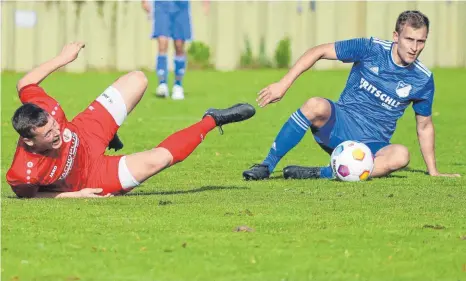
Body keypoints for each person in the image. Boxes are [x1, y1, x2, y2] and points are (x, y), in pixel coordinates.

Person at [6, 42, 255, 199]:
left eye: (54, 124)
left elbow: (24, 84)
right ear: (28, 141)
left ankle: (109, 130)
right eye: (48, 134)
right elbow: (32, 197)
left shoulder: (46, 109)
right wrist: (76, 195)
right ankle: (212, 120)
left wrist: (62, 59)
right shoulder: (22, 172)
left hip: (86, 131)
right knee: (161, 159)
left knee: (138, 79)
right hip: (92, 177)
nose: (56, 132)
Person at [243, 10, 460, 180]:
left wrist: (433, 170)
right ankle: (266, 166)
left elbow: (424, 125)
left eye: (420, 41)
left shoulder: (422, 79)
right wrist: (283, 84)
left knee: (401, 155)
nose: (414, 47)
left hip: (371, 145)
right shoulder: (370, 48)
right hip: (338, 127)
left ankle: (321, 173)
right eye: (409, 39)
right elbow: (319, 51)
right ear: (396, 36)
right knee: (315, 104)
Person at [142, 0, 192, 100]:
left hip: (181, 5)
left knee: (179, 45)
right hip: (162, 5)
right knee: (162, 42)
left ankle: (178, 85)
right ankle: (162, 84)